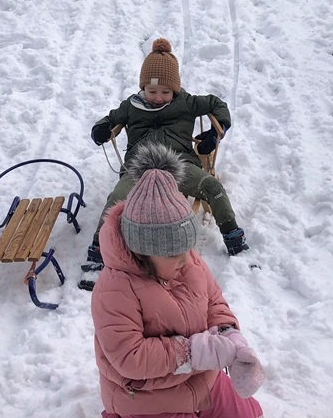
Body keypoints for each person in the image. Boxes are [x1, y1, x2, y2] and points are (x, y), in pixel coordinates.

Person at [91, 143, 265, 418]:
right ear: (143, 251)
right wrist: (193, 352)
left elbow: (213, 301)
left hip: (201, 378)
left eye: (188, 247)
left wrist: (229, 334)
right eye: (174, 253)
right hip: (147, 397)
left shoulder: (188, 261)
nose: (186, 259)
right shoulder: (115, 288)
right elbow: (130, 356)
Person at [87, 38, 248, 269]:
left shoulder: (186, 102)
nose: (158, 97)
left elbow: (217, 104)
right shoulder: (131, 105)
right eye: (152, 91)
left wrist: (215, 132)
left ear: (175, 89)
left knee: (212, 187)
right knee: (116, 200)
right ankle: (98, 251)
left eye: (166, 91)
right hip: (139, 168)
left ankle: (233, 236)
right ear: (143, 88)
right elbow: (110, 119)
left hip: (179, 164)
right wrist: (101, 129)